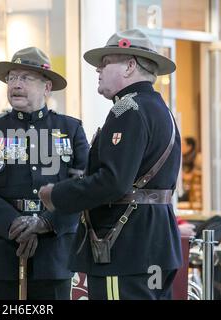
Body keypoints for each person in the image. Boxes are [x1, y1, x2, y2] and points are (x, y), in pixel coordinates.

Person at [38, 29, 182, 300]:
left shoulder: (126, 109)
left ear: (130, 66)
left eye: (105, 62)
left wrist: (57, 195)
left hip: (126, 247)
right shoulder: (160, 109)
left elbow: (113, 182)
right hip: (155, 242)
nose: (98, 70)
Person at [0, 47, 89, 300]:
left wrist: (46, 222)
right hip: (3, 249)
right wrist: (12, 222)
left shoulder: (70, 129)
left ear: (47, 87)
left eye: (25, 78)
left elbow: (83, 189)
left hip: (54, 253)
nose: (16, 84)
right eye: (11, 78)